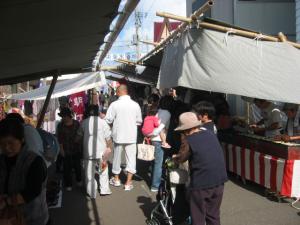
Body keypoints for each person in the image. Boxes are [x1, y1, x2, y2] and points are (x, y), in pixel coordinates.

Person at [173, 112, 228, 225]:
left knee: (198, 217)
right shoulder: (209, 132)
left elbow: (181, 158)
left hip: (202, 183)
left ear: (185, 129)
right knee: (213, 215)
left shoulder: (189, 139)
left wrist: (174, 158)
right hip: (220, 180)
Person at [0, 119, 49, 225]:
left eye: (11, 143)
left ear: (22, 140)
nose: (7, 148)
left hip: (33, 219)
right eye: (3, 144)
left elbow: (32, 191)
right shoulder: (2, 160)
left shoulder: (34, 161)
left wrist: (7, 202)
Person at [105, 85, 142, 191]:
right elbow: (139, 121)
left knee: (116, 158)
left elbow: (108, 120)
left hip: (118, 135)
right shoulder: (135, 105)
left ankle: (116, 179)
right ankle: (128, 182)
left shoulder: (114, 104)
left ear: (118, 92)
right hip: (131, 136)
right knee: (131, 158)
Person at [78, 105, 112, 198]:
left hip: (88, 152)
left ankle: (92, 192)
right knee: (103, 170)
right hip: (102, 152)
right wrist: (109, 148)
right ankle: (104, 190)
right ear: (98, 112)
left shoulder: (84, 123)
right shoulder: (103, 123)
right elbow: (108, 138)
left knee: (89, 173)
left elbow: (79, 137)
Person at [150, 96, 174, 192]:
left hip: (154, 139)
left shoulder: (158, 111)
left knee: (155, 162)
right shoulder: (167, 113)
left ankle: (154, 181)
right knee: (159, 163)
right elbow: (161, 127)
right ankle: (155, 185)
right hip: (159, 139)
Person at [56, 107, 82, 191]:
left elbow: (80, 136)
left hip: (76, 149)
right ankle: (68, 184)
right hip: (66, 149)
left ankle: (79, 180)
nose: (62, 118)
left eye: (63, 116)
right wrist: (61, 149)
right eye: (62, 116)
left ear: (68, 116)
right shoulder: (60, 125)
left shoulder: (77, 124)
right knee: (67, 168)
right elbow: (59, 138)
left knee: (77, 166)